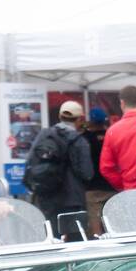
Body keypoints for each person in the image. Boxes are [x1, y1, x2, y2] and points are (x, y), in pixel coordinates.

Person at [26, 100, 93, 240]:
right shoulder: (79, 141)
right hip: (73, 202)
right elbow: (87, 174)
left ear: (60, 116)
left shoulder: (44, 135)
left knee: (51, 242)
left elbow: (30, 163)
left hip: (46, 199)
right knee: (76, 245)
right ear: (80, 119)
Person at [82, 108, 116, 235]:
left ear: (90, 121)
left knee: (95, 227)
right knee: (112, 223)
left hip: (92, 188)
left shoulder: (84, 139)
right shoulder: (112, 135)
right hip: (112, 186)